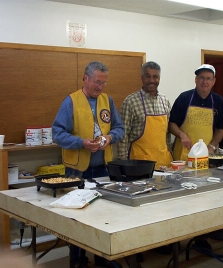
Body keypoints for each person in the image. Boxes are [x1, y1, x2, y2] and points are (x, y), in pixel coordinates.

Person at [52, 61, 124, 268]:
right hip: (77, 170)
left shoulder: (107, 101)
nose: (100, 87)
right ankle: (77, 260)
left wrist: (109, 138)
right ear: (85, 78)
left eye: (104, 83)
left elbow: (120, 128)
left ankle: (103, 258)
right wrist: (81, 143)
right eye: (97, 82)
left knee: (104, 216)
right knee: (78, 218)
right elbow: (57, 134)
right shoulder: (70, 102)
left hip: (103, 168)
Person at [118, 61, 173, 169]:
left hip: (163, 164)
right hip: (138, 164)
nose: (152, 80)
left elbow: (167, 134)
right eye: (148, 76)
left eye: (155, 77)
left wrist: (170, 154)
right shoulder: (130, 102)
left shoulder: (165, 100)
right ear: (141, 78)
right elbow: (123, 137)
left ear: (159, 78)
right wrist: (123, 165)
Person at [169, 64, 223, 161]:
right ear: (195, 80)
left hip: (206, 153)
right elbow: (171, 124)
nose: (205, 82)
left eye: (208, 78)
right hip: (183, 154)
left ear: (214, 81)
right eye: (201, 78)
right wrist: (182, 135)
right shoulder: (184, 98)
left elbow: (221, 130)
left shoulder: (219, 101)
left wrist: (212, 146)